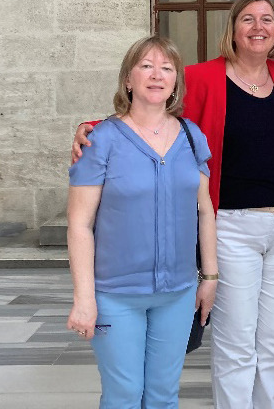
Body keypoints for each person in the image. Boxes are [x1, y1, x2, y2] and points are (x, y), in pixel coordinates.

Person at [73, 0, 274, 409]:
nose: (258, 27)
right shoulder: (202, 76)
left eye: (267, 19)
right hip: (233, 222)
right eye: (247, 19)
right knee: (235, 342)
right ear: (231, 30)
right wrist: (91, 128)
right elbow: (149, 106)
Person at [66, 35, 219, 409]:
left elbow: (204, 210)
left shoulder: (191, 136)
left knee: (164, 395)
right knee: (124, 395)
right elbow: (79, 225)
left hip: (178, 293)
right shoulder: (99, 140)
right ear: (128, 80)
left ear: (176, 82)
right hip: (115, 295)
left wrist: (210, 278)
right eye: (146, 66)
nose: (157, 75)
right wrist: (84, 298)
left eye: (166, 68)